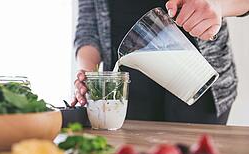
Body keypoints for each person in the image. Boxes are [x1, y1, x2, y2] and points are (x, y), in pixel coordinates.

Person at [71, 0, 249, 124]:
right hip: (125, 90)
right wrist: (88, 72)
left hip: (198, 79)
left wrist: (216, 5)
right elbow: (88, 26)